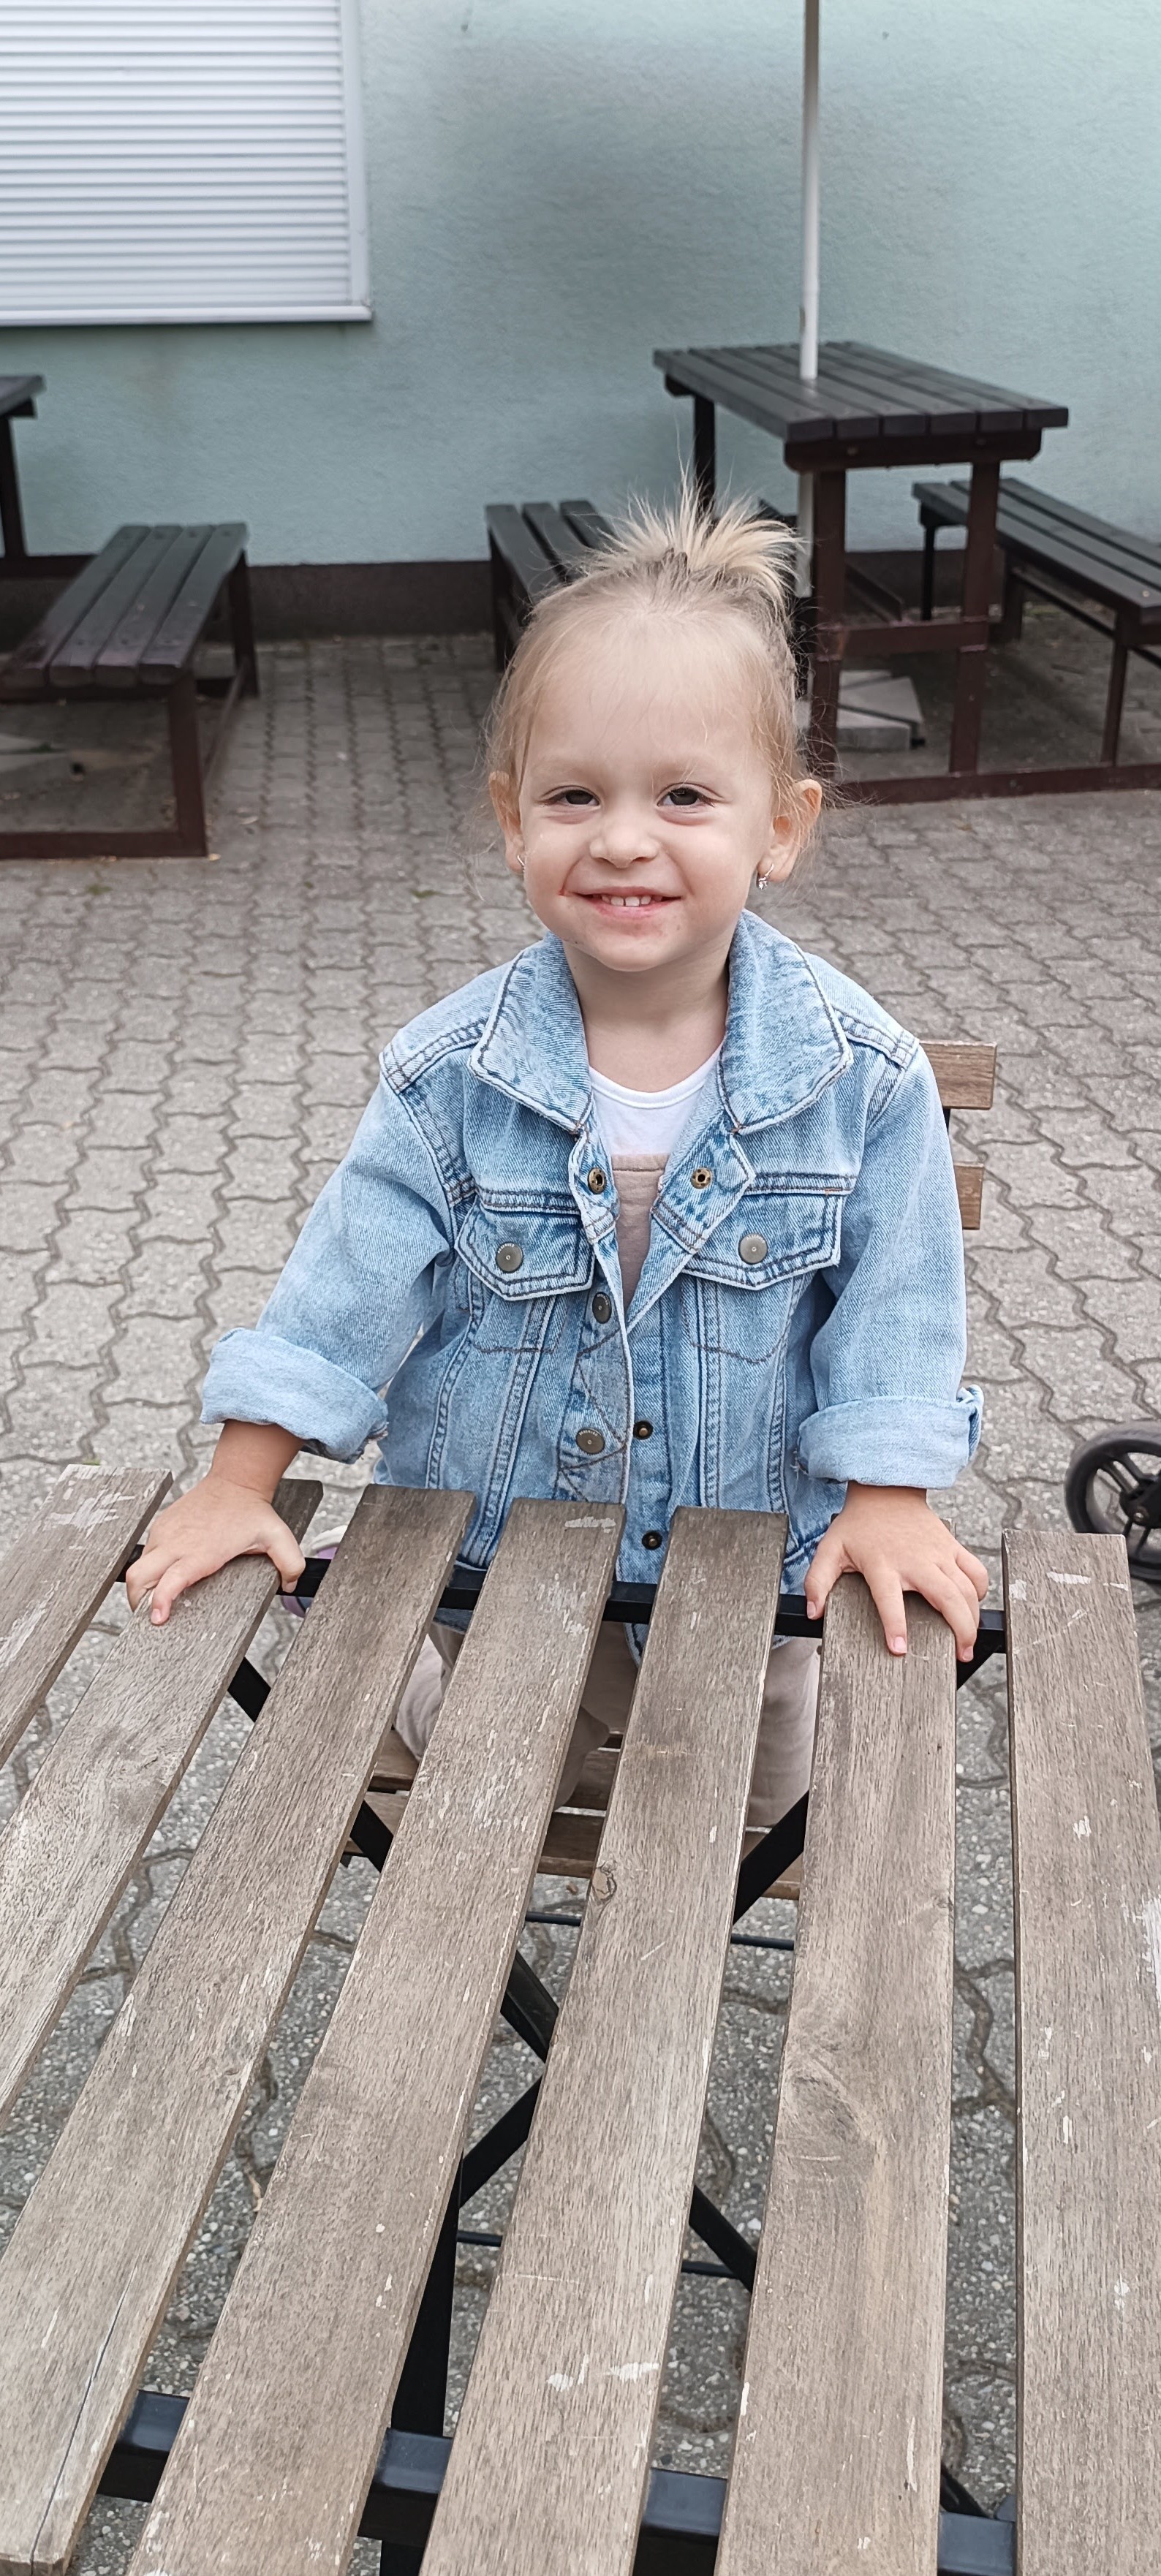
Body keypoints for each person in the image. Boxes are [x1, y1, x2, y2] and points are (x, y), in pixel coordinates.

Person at [128, 492, 986, 1830]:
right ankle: (437, 1749)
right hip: (500, 1559)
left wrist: (888, 1499)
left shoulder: (859, 1078)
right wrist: (239, 1486)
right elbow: (343, 1288)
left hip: (755, 1576)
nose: (624, 837)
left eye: (684, 796)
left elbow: (899, 1307)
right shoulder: (450, 1073)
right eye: (575, 794)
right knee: (477, 1799)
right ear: (511, 819)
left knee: (748, 1825)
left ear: (783, 825)